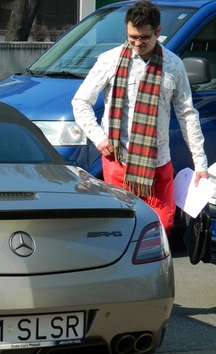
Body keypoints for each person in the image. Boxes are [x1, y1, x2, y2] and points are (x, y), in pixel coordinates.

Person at [72, 0, 209, 235]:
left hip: (159, 163)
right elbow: (80, 102)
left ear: (157, 31)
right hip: (118, 161)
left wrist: (200, 164)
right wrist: (99, 137)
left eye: (144, 37)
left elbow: (187, 114)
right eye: (132, 37)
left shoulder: (173, 64)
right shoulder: (109, 60)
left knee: (162, 226)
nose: (137, 43)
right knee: (122, 228)